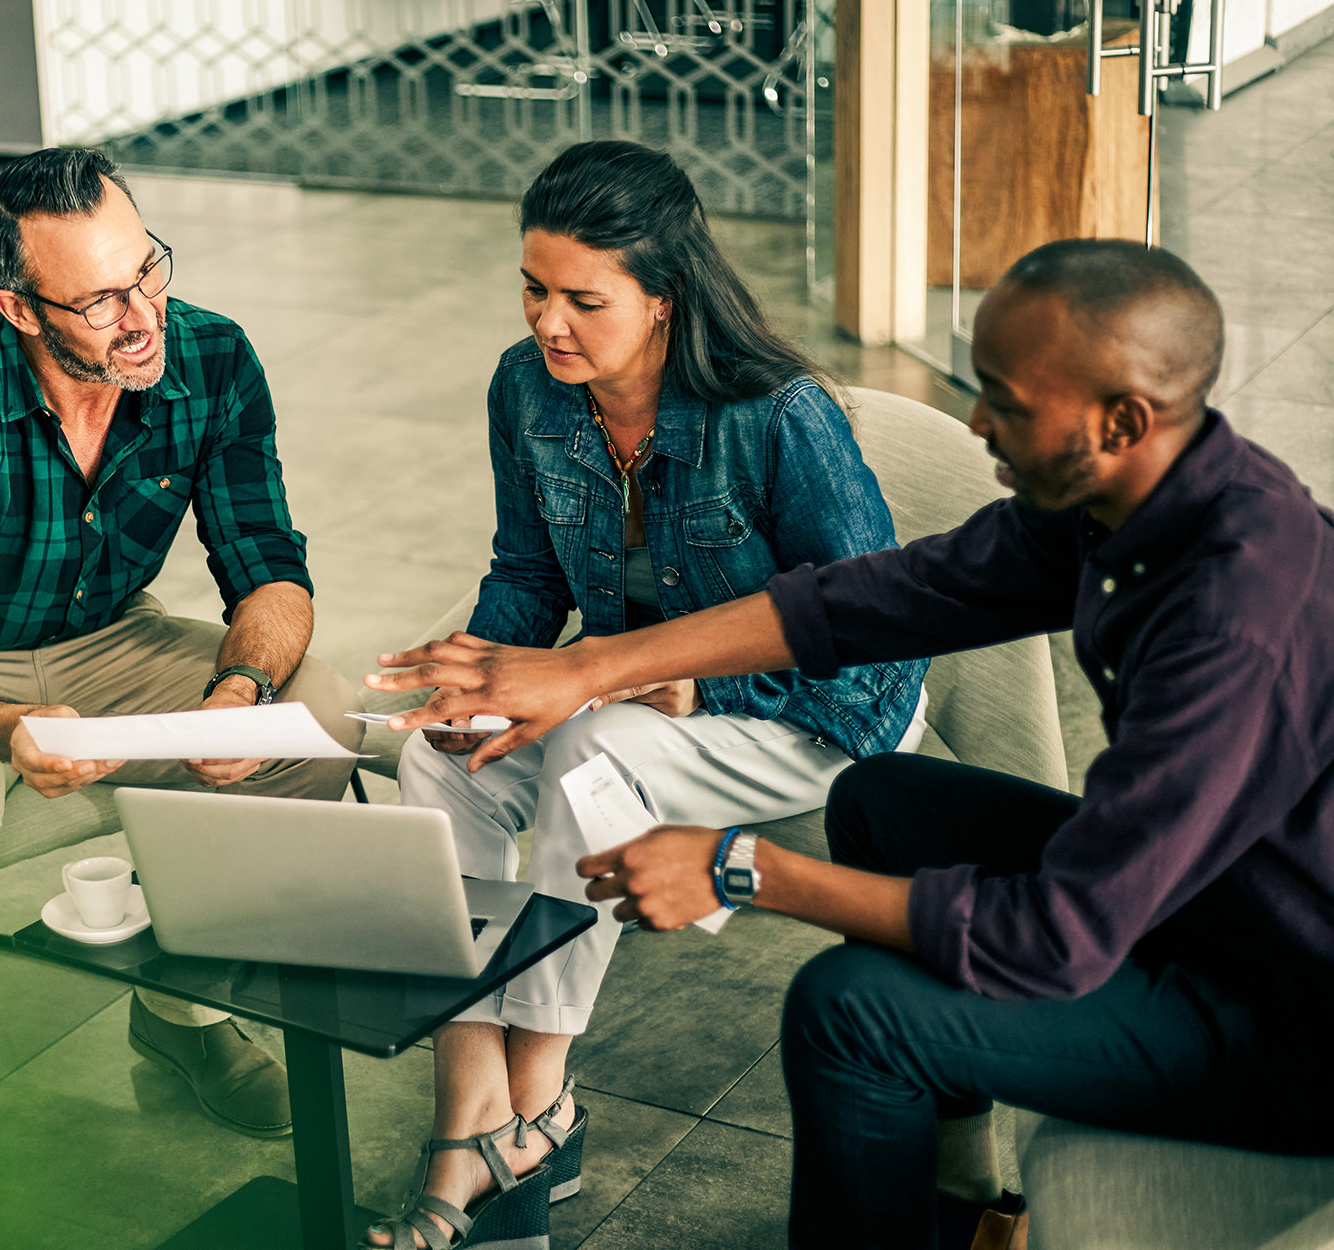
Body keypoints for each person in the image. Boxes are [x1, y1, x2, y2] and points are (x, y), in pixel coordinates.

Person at [368, 238, 1334, 1250]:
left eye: (1002, 398)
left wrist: (745, 872)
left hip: (1283, 1014)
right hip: (1210, 904)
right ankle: (951, 1203)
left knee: (847, 1011)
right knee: (891, 802)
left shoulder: (1232, 620)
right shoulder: (1143, 495)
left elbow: (1053, 937)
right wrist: (590, 667)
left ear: (1121, 419)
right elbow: (881, 599)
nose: (976, 420)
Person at [365, 140, 928, 1250]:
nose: (547, 322)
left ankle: (535, 1110)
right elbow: (530, 573)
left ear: (663, 300)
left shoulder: (778, 414)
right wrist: (475, 667)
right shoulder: (526, 390)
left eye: (584, 298)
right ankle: (478, 1114)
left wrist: (695, 683)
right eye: (533, 288)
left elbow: (874, 638)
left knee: (594, 753)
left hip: (811, 712)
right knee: (441, 757)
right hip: (630, 695)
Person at [0, 147, 362, 1242]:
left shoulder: (209, 354)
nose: (141, 312)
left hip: (111, 640)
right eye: (102, 298)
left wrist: (238, 687)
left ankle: (182, 1013)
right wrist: (7, 729)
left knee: (320, 721)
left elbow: (271, 571)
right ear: (18, 305)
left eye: (146, 269)